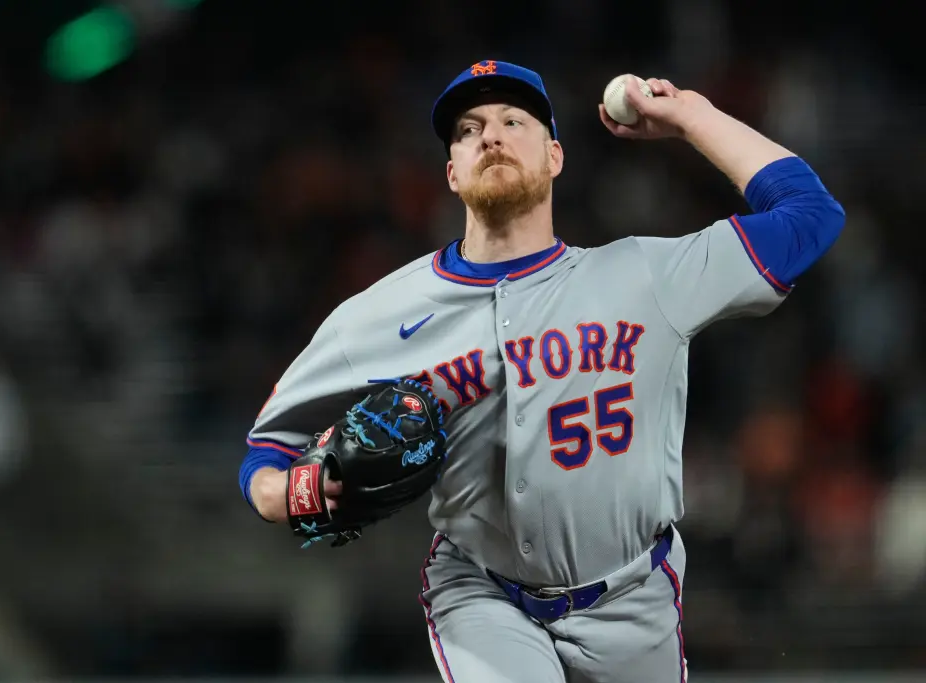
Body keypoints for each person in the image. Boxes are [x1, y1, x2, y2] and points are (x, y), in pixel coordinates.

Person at [240, 60, 845, 682]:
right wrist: (281, 493)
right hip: (481, 594)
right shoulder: (378, 315)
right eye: (469, 129)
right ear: (452, 173)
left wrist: (693, 116)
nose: (490, 136)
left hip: (634, 598)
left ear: (555, 156)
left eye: (513, 121)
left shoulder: (645, 277)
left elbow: (810, 215)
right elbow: (267, 449)